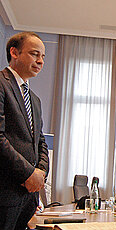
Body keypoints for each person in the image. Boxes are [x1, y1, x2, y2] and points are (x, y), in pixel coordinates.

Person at [0, 32, 49, 229]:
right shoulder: (2, 84)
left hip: (29, 197)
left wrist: (41, 172)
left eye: (43, 57)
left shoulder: (34, 99)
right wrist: (28, 173)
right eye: (35, 54)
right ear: (14, 52)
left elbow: (40, 142)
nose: (40, 61)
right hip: (6, 191)